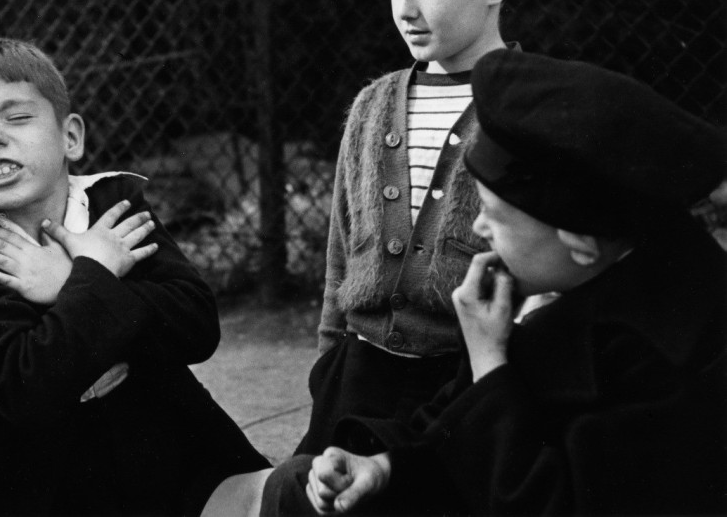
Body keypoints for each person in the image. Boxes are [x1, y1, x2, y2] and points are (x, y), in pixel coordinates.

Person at [290, 48, 727, 515]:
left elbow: (548, 501)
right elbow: (456, 432)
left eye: (494, 218)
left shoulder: (671, 363)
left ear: (579, 241)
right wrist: (387, 466)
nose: (479, 230)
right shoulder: (576, 278)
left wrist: (489, 366)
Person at [0, 37, 270, 517]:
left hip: (175, 453)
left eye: (16, 117)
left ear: (70, 136)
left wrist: (66, 281)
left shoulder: (112, 209)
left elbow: (197, 327)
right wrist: (93, 276)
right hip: (48, 485)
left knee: (294, 496)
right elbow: (24, 386)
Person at [294, 0, 528, 460]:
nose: (404, 8)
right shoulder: (374, 107)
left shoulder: (528, 106)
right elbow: (341, 251)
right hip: (359, 371)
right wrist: (327, 367)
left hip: (461, 377)